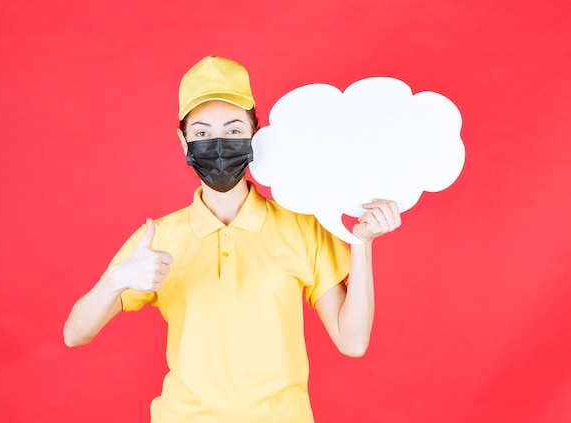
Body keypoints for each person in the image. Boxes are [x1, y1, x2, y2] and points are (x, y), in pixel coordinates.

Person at [63, 56, 401, 423]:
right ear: (183, 141)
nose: (219, 144)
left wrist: (361, 242)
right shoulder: (157, 237)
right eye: (203, 133)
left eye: (234, 129)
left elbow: (352, 342)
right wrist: (116, 281)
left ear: (256, 134)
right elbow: (74, 334)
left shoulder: (301, 228)